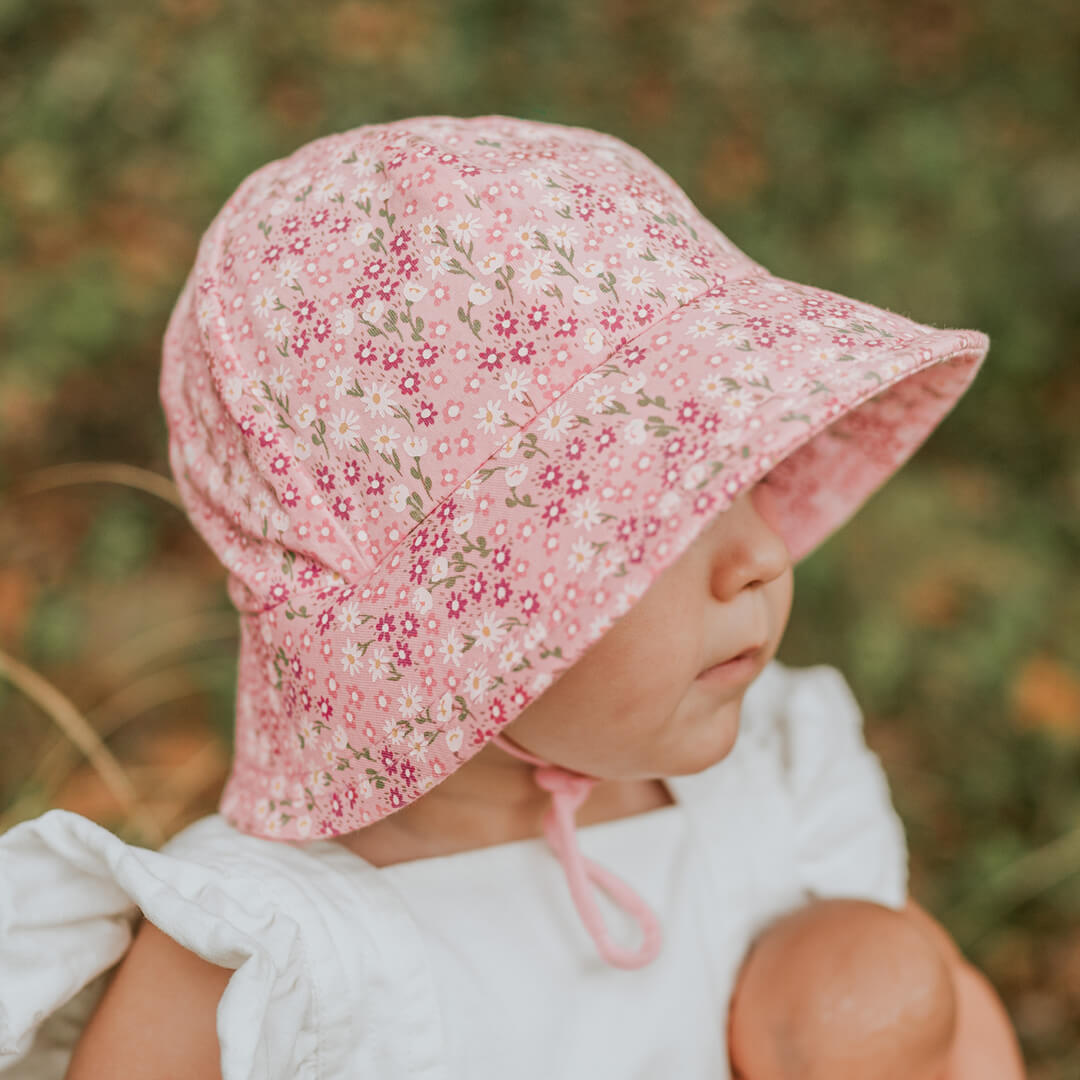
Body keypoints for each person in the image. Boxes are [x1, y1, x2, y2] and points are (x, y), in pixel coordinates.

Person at [0, 114, 1026, 1079]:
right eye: (652, 520)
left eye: (747, 473)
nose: (761, 553)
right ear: (446, 624)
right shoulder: (271, 956)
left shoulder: (777, 791)